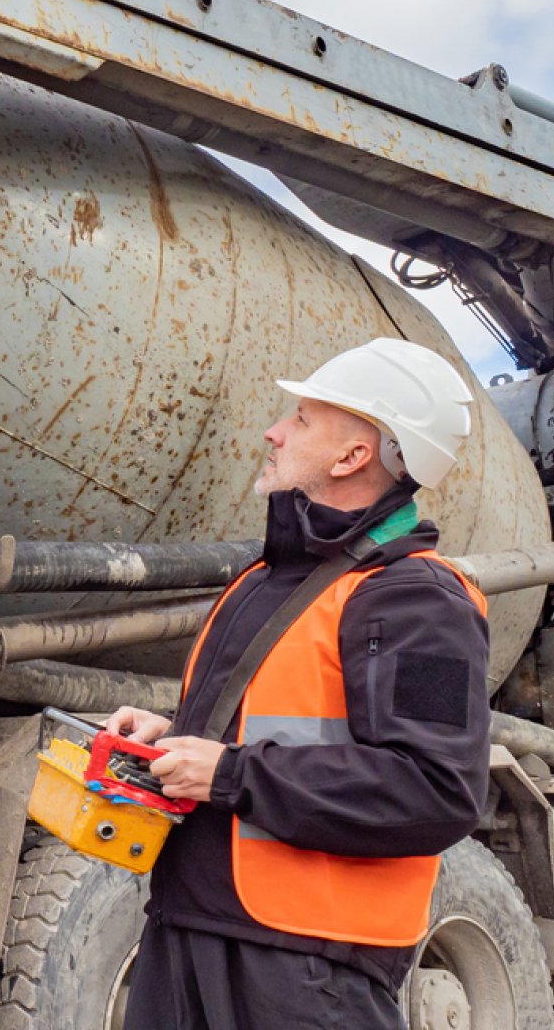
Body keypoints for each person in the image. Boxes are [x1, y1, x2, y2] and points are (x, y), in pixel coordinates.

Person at [107, 337, 491, 1029]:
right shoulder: (265, 581)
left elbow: (438, 791)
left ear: (353, 457)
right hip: (188, 930)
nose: (274, 430)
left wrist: (228, 775)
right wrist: (179, 740)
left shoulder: (417, 599)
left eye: (304, 420)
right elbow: (281, 728)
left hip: (306, 969)